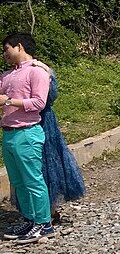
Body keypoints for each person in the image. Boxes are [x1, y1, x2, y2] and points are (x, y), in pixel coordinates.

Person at [9, 61, 85, 221]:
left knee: (47, 162)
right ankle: (37, 211)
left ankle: (47, 211)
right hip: (29, 120)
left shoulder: (39, 69)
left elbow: (47, 98)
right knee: (35, 165)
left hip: (42, 121)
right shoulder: (15, 73)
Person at [0, 33, 54, 243]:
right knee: (18, 181)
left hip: (27, 132)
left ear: (19, 46)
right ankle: (29, 220)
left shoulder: (37, 72)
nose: (4, 53)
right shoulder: (7, 75)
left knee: (32, 180)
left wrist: (9, 102)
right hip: (9, 133)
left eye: (6, 49)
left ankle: (44, 223)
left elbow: (39, 103)